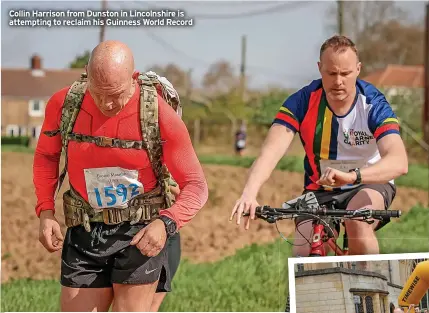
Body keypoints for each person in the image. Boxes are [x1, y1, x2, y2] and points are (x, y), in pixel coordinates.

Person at [33, 40, 208, 312]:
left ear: (132, 78)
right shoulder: (64, 104)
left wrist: (166, 223)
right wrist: (45, 211)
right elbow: (46, 156)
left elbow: (196, 185)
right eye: (98, 93)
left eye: (115, 94)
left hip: (140, 232)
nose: (106, 103)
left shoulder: (158, 114)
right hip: (85, 229)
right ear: (86, 74)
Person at [230, 35, 408, 256]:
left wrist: (353, 176)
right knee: (304, 249)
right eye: (331, 73)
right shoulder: (302, 101)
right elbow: (270, 152)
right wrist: (249, 192)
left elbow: (399, 162)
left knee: (358, 222)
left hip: (368, 183)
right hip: (321, 189)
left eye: (346, 73)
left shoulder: (373, 104)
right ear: (319, 68)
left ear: (358, 69)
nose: (338, 81)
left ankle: (372, 287)